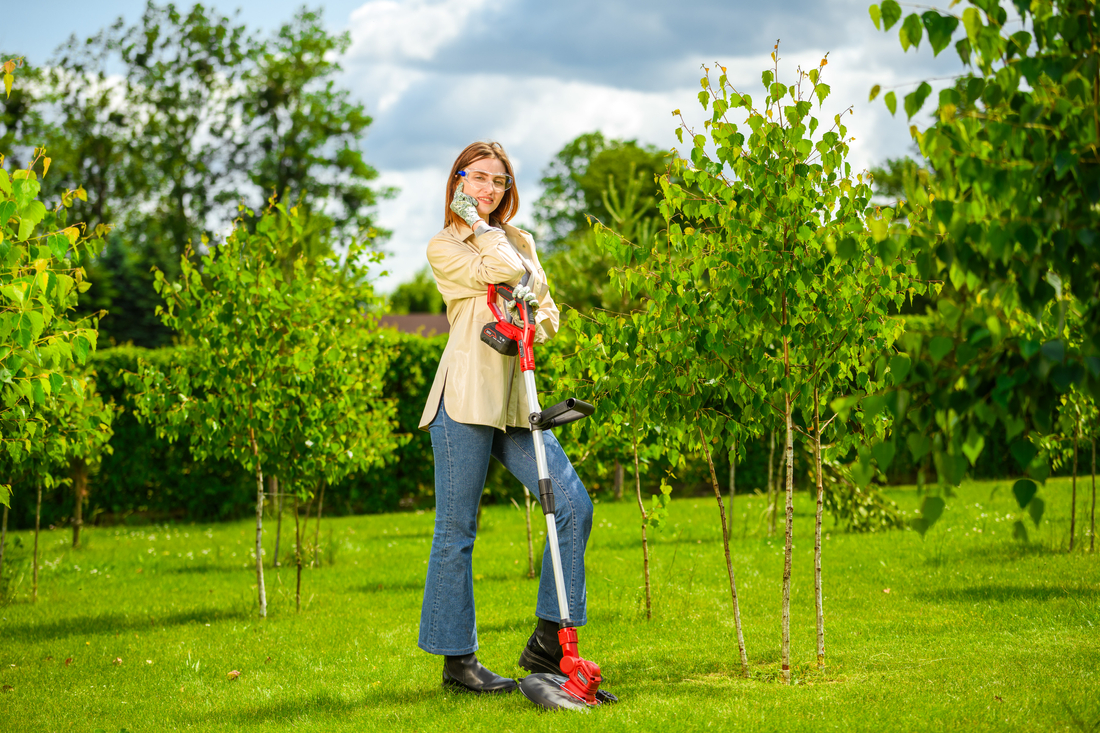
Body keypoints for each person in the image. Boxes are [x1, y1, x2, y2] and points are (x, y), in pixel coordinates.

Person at [417, 141, 594, 694]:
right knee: (457, 530)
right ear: (459, 183)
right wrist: (487, 236)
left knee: (573, 507)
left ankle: (547, 640)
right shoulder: (445, 246)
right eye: (479, 179)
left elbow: (547, 311)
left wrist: (532, 319)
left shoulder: (524, 241)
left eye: (499, 181)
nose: (489, 190)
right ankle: (457, 663)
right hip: (465, 399)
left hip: (519, 402)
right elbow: (498, 270)